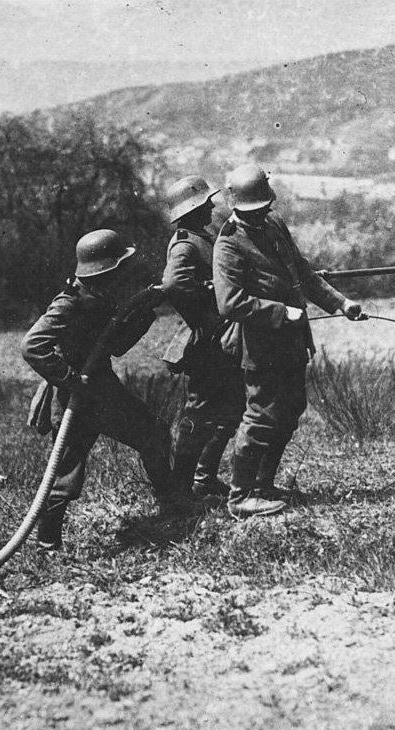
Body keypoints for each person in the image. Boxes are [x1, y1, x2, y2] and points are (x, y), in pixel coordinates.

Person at [213, 164, 364, 519]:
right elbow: (230, 303)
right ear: (236, 206)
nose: (262, 213)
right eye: (254, 209)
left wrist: (340, 303)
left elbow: (301, 270)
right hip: (261, 347)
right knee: (261, 414)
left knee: (291, 408)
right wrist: (282, 313)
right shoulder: (228, 245)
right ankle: (240, 496)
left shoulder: (274, 225)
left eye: (264, 207)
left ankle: (263, 484)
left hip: (292, 342)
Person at [21, 229, 179, 552]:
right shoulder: (69, 304)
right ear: (105, 269)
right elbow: (32, 345)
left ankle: (170, 508)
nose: (124, 273)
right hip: (74, 402)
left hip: (103, 393)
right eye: (119, 266)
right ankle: (47, 544)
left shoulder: (100, 298)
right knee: (65, 475)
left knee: (154, 433)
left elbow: (116, 345)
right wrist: (71, 379)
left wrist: (144, 312)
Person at [157, 175, 244, 499]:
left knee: (231, 409)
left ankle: (204, 478)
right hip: (210, 343)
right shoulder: (185, 243)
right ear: (191, 209)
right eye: (204, 203)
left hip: (221, 340)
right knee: (198, 413)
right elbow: (174, 285)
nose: (210, 206)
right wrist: (207, 322)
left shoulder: (201, 238)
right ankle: (180, 488)